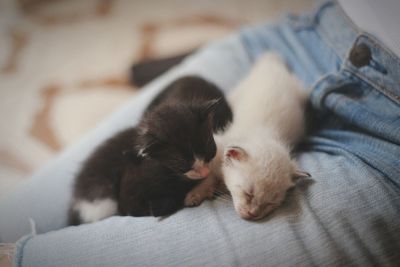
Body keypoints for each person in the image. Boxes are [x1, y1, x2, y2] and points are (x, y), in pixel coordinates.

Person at [1, 1, 399, 266]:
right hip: (307, 36)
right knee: (11, 217)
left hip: (377, 141)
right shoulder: (219, 146)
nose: (251, 213)